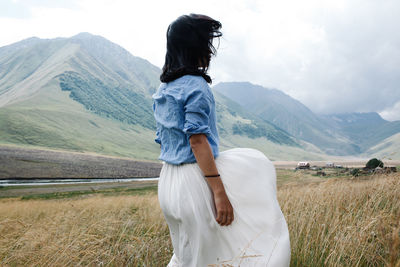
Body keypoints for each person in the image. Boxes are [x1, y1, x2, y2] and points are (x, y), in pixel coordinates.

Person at [152, 14, 290, 267]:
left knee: (187, 255)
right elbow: (197, 141)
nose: (210, 52)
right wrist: (219, 192)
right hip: (193, 182)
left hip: (169, 183)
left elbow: (165, 139)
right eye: (206, 44)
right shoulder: (196, 86)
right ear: (195, 48)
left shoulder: (164, 89)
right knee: (215, 255)